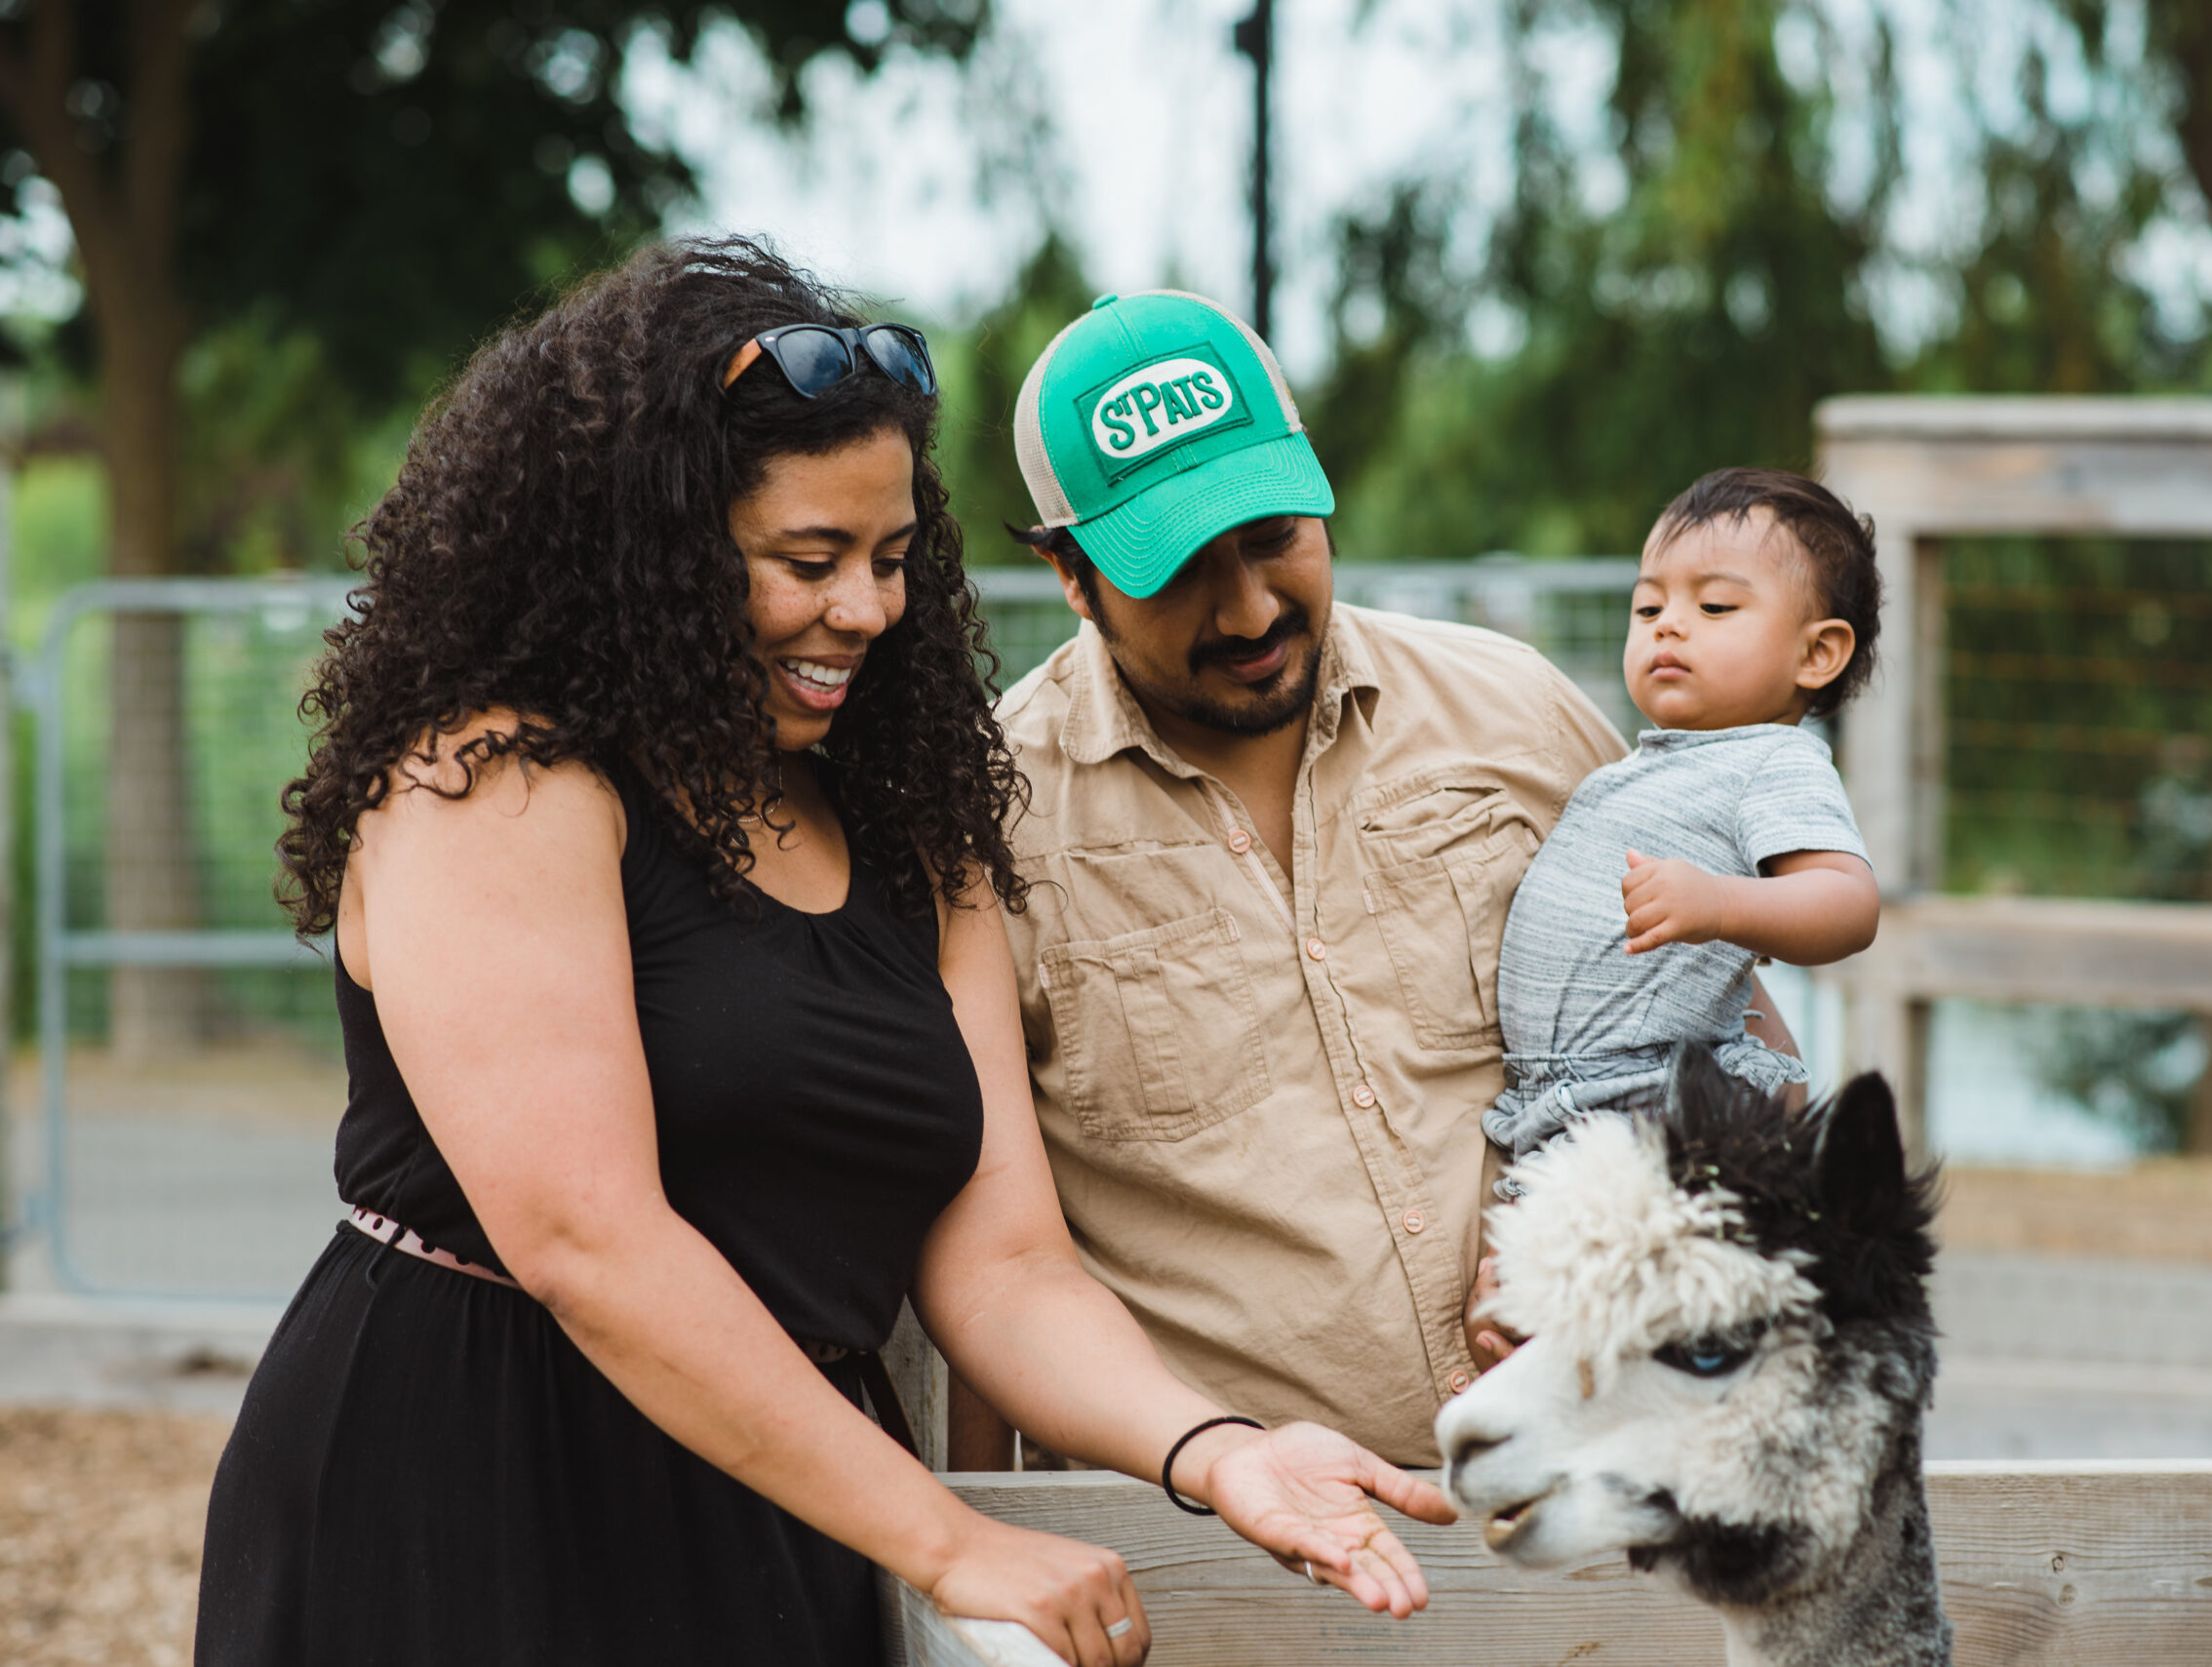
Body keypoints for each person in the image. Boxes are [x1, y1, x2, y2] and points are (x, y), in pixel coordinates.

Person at [194, 241, 1450, 1667]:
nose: (866, 609)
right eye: (809, 561)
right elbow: (587, 1242)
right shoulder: (493, 780)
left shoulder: (916, 823)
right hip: (471, 1489)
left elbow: (1006, 1268)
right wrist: (947, 1536)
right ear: (653, 551)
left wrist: (1216, 1449)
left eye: (893, 559)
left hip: (785, 1501)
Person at [983, 291, 1806, 1469]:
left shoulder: (1516, 712)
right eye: (1179, 569)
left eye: (1273, 535)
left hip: (1602, 1487)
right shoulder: (993, 825)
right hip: (1226, 1543)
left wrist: (1645, 1250)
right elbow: (994, 1262)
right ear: (1071, 574)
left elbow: (1744, 1048)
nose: (1250, 607)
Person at [1484, 467, 1883, 1180]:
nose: (1667, 623)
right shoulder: (1644, 763)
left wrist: (1721, 904)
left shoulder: (1774, 760)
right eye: (1647, 608)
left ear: (1816, 653)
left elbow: (1850, 903)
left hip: (1654, 1097)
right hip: (1561, 1097)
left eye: (1716, 605)